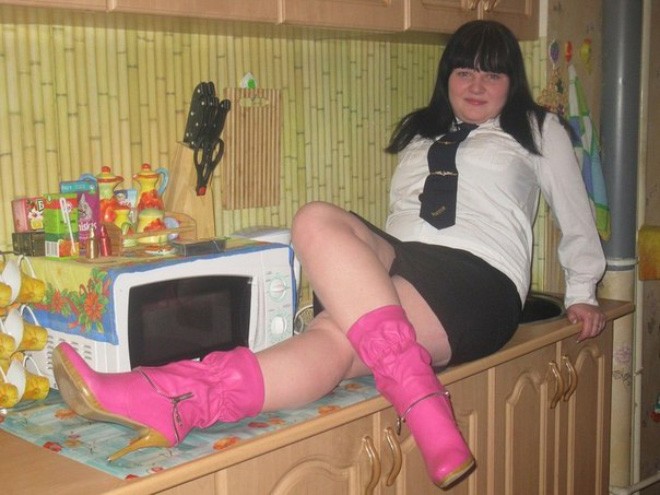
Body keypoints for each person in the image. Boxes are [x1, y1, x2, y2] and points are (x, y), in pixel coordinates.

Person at [52, 20, 607, 489]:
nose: (477, 84)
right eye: (465, 71)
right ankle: (177, 401)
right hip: (406, 265)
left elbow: (575, 211)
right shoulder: (421, 132)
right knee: (316, 226)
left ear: (513, 82)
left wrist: (582, 289)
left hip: (477, 279)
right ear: (447, 78)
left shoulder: (538, 128)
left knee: (335, 335)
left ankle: (164, 392)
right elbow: (402, 223)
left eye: (493, 73)